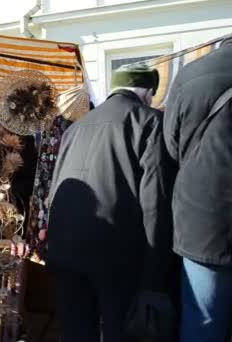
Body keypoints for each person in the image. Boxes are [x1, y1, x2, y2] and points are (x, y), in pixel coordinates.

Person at [47, 65, 176, 342]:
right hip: (117, 254)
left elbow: (54, 191)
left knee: (77, 333)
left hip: (65, 250)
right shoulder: (149, 121)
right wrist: (155, 274)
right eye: (153, 95)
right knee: (121, 332)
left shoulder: (76, 128)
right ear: (147, 92)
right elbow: (156, 202)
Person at [163, 34, 232, 342]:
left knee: (203, 321)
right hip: (203, 223)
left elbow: (171, 146)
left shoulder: (191, 73)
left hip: (202, 221)